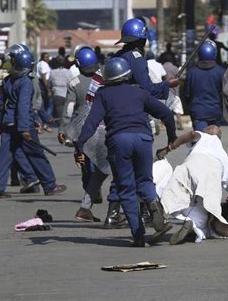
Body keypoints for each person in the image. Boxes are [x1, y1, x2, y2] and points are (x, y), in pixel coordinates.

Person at [76, 57, 177, 247]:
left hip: (119, 141)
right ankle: (152, 203)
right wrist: (172, 137)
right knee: (145, 181)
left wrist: (79, 144)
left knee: (126, 188)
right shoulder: (139, 92)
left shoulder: (103, 94)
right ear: (127, 74)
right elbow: (166, 114)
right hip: (143, 139)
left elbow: (91, 122)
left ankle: (138, 235)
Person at [0, 45, 66, 198]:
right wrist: (24, 128)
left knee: (4, 157)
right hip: (23, 125)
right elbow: (23, 106)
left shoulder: (7, 80)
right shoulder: (25, 82)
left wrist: (3, 121)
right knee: (36, 154)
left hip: (8, 124)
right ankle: (50, 185)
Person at [58, 45, 121, 226]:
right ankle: (120, 211)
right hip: (106, 129)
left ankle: (85, 208)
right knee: (115, 169)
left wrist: (63, 130)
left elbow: (69, 110)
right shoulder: (106, 77)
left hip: (83, 132)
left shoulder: (74, 83)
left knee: (98, 170)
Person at [153, 126, 228, 245]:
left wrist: (169, 147)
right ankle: (194, 225)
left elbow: (191, 134)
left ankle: (163, 216)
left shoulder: (202, 136)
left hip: (191, 166)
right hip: (212, 175)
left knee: (174, 194)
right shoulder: (223, 155)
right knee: (206, 210)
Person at [114, 17, 179, 100]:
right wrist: (167, 84)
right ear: (142, 40)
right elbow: (147, 89)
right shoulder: (136, 59)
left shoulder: (118, 55)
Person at [184, 40, 226, 131]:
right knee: (214, 142)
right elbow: (224, 93)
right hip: (215, 112)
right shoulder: (221, 72)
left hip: (198, 113)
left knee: (200, 141)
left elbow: (187, 94)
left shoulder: (192, 73)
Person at [162, 56, 184, 130]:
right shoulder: (175, 68)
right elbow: (181, 78)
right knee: (178, 109)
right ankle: (179, 123)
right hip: (175, 92)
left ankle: (166, 124)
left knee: (167, 109)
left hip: (166, 92)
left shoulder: (162, 67)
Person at [49, 55, 72, 121]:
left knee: (59, 114)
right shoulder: (68, 72)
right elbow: (73, 82)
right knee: (66, 113)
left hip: (57, 94)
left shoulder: (52, 72)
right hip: (67, 94)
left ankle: (61, 126)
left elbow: (49, 83)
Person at [36, 52, 53, 132]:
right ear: (42, 58)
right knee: (47, 105)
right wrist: (48, 89)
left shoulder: (40, 64)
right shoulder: (43, 64)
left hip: (42, 85)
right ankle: (46, 123)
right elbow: (43, 76)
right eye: (45, 57)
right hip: (43, 86)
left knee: (42, 106)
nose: (47, 58)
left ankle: (41, 124)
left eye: (48, 57)